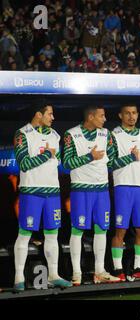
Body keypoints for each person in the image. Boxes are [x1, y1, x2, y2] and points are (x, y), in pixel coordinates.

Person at [13, 100, 72, 292]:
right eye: (50, 114)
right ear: (39, 114)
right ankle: (18, 278)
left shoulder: (55, 135)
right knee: (24, 235)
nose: (53, 118)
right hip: (31, 191)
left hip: (52, 192)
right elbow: (24, 164)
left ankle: (54, 275)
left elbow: (60, 163)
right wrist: (47, 154)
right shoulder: (22, 134)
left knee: (52, 234)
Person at [63, 106, 120, 285]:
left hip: (102, 189)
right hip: (81, 189)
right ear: (90, 116)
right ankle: (76, 273)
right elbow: (66, 163)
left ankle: (99, 271)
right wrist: (89, 156)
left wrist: (133, 159)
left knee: (101, 229)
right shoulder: (71, 135)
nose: (105, 119)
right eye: (101, 116)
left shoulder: (106, 135)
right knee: (77, 230)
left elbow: (113, 159)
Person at [110, 104, 140, 281]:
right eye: (127, 113)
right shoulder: (114, 135)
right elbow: (110, 163)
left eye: (134, 113)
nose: (131, 116)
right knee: (120, 229)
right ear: (120, 115)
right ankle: (117, 269)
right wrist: (131, 158)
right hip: (123, 186)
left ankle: (138, 268)